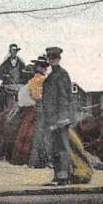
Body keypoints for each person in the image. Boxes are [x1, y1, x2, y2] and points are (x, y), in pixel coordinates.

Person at [41, 46, 73, 185]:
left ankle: (63, 177)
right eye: (50, 58)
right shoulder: (51, 76)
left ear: (59, 59)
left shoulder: (62, 75)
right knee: (54, 147)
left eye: (54, 58)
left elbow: (64, 98)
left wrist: (61, 118)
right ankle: (57, 175)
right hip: (51, 118)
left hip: (60, 119)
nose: (52, 60)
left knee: (62, 147)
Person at [26, 55, 51, 168]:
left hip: (48, 108)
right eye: (42, 66)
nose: (45, 68)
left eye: (46, 66)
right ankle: (36, 161)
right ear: (37, 67)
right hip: (41, 109)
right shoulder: (34, 81)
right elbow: (37, 95)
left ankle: (44, 160)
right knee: (41, 135)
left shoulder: (46, 79)